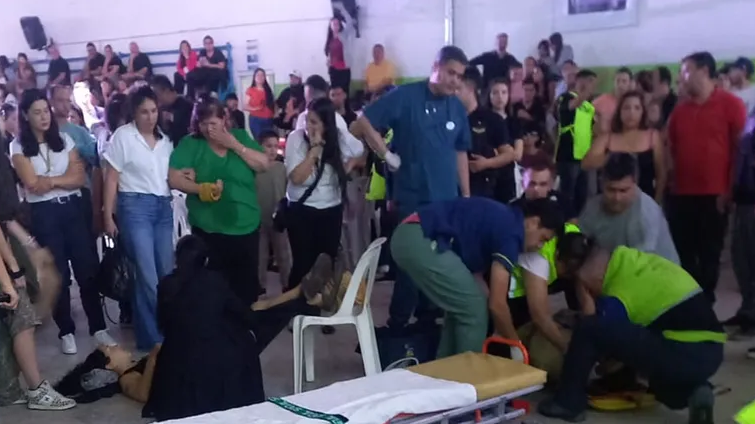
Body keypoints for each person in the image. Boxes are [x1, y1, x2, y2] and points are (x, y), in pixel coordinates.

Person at [538, 233, 724, 424]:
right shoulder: (631, 262)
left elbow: (602, 345)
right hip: (709, 350)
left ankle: (567, 403)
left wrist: (586, 306)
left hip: (686, 350)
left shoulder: (618, 296)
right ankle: (695, 392)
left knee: (589, 329)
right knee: (662, 387)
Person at [142, 235, 331, 421]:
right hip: (218, 371)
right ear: (205, 260)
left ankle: (301, 296)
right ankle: (302, 298)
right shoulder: (214, 281)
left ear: (177, 259)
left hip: (176, 372)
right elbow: (247, 317)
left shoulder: (166, 284)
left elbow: (164, 326)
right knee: (256, 324)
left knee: (232, 323)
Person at [351, 45, 472, 329]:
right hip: (413, 197)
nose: (455, 81)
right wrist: (386, 154)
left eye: (460, 76)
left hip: (447, 199)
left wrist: (466, 195)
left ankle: (427, 323)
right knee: (411, 263)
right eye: (451, 73)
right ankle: (398, 325)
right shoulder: (406, 97)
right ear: (436, 67)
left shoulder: (456, 107)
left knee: (440, 260)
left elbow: (460, 153)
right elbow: (361, 122)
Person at [391, 197, 564, 357]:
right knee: (474, 311)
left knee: (462, 307)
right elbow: (497, 304)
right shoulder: (512, 233)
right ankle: (468, 376)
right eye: (542, 239)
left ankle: (445, 375)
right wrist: (516, 345)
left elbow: (486, 292)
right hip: (420, 237)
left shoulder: (506, 218)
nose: (539, 246)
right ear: (533, 222)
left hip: (412, 233)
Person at [10, 89, 114, 355]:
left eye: (46, 111)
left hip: (73, 209)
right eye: (37, 112)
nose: (44, 117)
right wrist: (61, 178)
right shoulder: (18, 146)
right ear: (26, 115)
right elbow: (31, 183)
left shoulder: (65, 139)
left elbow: (78, 179)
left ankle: (98, 327)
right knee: (59, 275)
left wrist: (50, 181)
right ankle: (66, 330)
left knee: (86, 267)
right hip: (43, 213)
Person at [169, 95, 269, 304]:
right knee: (213, 295)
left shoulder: (240, 137)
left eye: (213, 123)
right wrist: (201, 189)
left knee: (246, 293)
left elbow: (263, 164)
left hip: (246, 227)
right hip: (209, 231)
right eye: (203, 124)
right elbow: (174, 178)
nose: (209, 130)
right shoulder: (191, 144)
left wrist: (234, 145)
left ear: (224, 119)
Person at [667, 51, 747, 303]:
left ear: (703, 71)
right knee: (683, 250)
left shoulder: (731, 105)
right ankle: (689, 300)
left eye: (685, 71)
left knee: (709, 252)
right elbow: (671, 149)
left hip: (715, 194)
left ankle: (706, 301)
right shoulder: (680, 111)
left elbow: (739, 152)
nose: (680, 77)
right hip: (681, 193)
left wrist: (729, 190)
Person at [103, 86, 174, 351]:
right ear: (134, 112)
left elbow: (170, 176)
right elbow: (111, 178)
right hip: (134, 206)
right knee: (146, 274)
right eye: (144, 111)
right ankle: (155, 338)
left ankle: (161, 332)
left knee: (166, 272)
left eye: (154, 110)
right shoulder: (123, 136)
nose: (150, 116)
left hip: (163, 207)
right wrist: (107, 215)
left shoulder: (165, 139)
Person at [284, 97, 363, 290]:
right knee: (303, 263)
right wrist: (314, 150)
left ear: (326, 124)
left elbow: (359, 150)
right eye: (307, 120)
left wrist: (345, 166)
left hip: (331, 208)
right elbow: (297, 178)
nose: (308, 126)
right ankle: (297, 304)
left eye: (314, 122)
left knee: (327, 261)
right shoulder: (295, 138)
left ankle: (322, 302)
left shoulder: (337, 138)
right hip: (302, 209)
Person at [580, 153, 679, 264]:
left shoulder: (645, 213)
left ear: (635, 184)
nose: (617, 198)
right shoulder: (593, 207)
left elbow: (640, 265)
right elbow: (579, 239)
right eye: (611, 190)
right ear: (601, 183)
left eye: (623, 190)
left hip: (655, 270)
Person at [582, 91, 666, 201]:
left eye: (637, 108)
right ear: (619, 112)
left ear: (643, 112)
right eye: (626, 108)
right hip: (612, 201)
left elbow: (661, 174)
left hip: (644, 202)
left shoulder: (652, 137)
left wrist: (657, 202)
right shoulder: (607, 138)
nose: (631, 113)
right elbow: (586, 164)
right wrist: (610, 157)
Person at [457, 67, 516, 198]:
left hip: (484, 187)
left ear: (470, 88)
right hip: (455, 186)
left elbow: (509, 154)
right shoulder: (451, 118)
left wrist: (486, 163)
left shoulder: (491, 119)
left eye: (458, 89)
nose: (454, 93)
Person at [554, 69, 597, 213]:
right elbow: (571, 106)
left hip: (584, 157)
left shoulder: (588, 106)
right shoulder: (565, 97)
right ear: (580, 81)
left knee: (582, 197)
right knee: (567, 197)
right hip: (568, 157)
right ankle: (565, 223)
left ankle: (578, 224)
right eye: (590, 81)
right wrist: (584, 91)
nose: (592, 86)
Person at [255, 130, 291, 291]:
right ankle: (260, 286)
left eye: (275, 146)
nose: (272, 150)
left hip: (278, 218)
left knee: (283, 253)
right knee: (260, 255)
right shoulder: (254, 169)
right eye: (268, 146)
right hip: (258, 217)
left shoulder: (281, 168)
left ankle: (287, 284)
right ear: (259, 146)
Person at [485, 78, 523, 203]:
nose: (500, 97)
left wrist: (501, 153)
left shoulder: (514, 122)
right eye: (495, 92)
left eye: (504, 92)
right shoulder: (482, 121)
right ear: (489, 95)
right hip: (487, 176)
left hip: (508, 176)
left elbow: (518, 155)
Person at [151, 75, 193, 146]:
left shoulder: (186, 105)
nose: (157, 99)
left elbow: (189, 127)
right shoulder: (161, 109)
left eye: (157, 95)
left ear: (167, 91)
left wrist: (172, 118)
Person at [592, 67, 633, 135]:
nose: (620, 85)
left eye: (624, 81)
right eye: (617, 81)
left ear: (630, 83)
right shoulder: (601, 101)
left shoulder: (634, 103)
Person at [325, 3, 356, 94]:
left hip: (344, 68)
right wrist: (328, 62)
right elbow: (329, 54)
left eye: (337, 23)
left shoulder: (344, 35)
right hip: (333, 70)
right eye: (333, 24)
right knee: (335, 93)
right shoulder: (329, 39)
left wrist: (342, 9)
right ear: (330, 26)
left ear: (340, 25)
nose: (335, 25)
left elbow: (349, 22)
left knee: (344, 92)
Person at [244, 68, 275, 138]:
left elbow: (273, 103)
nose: (260, 77)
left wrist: (275, 113)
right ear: (254, 77)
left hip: (269, 119)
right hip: (256, 120)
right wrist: (255, 108)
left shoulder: (268, 90)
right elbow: (245, 106)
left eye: (262, 75)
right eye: (258, 75)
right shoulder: (250, 90)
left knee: (268, 139)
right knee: (259, 139)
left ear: (265, 77)